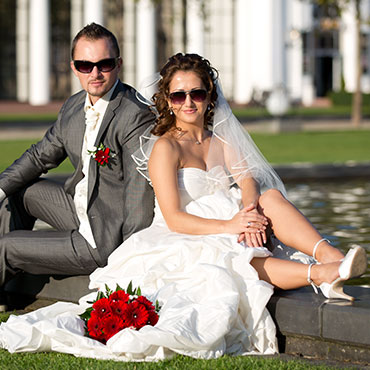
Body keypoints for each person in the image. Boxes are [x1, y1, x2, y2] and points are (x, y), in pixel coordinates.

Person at [0, 53, 367, 360]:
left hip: (233, 218)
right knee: (236, 259)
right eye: (178, 96)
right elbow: (174, 217)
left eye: (197, 93)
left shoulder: (222, 139)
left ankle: (332, 258)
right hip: (189, 231)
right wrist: (232, 226)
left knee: (270, 198)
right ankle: (320, 274)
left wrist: (250, 208)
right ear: (167, 100)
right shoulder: (166, 147)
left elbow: (249, 177)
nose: (188, 102)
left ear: (210, 96)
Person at [0, 23, 154, 310]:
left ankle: (5, 270)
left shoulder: (134, 116)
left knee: (6, 245)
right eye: (86, 65)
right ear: (74, 67)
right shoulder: (73, 107)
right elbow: (38, 157)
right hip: (76, 209)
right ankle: (5, 291)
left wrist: (129, 264)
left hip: (102, 238)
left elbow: (138, 197)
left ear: (118, 64)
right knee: (16, 191)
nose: (95, 73)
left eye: (104, 64)